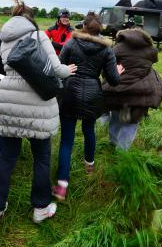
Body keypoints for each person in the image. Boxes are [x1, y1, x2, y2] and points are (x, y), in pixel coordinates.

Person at [0, 0, 76, 224]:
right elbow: (56, 69)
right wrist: (68, 70)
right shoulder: (39, 36)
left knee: (7, 157)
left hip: (9, 97)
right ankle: (40, 208)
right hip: (37, 99)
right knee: (42, 157)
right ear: (30, 19)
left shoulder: (4, 39)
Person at [52, 14, 121, 201]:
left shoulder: (71, 42)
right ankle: (89, 166)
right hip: (92, 94)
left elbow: (60, 67)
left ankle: (62, 186)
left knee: (67, 140)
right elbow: (114, 80)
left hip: (70, 93)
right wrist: (118, 72)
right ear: (100, 29)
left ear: (83, 26)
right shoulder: (106, 49)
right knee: (89, 130)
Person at [102, 28, 162, 150]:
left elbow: (106, 69)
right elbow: (153, 61)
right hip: (139, 92)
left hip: (116, 91)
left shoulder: (117, 48)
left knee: (116, 117)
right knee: (130, 123)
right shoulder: (150, 50)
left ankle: (113, 142)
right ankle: (122, 151)